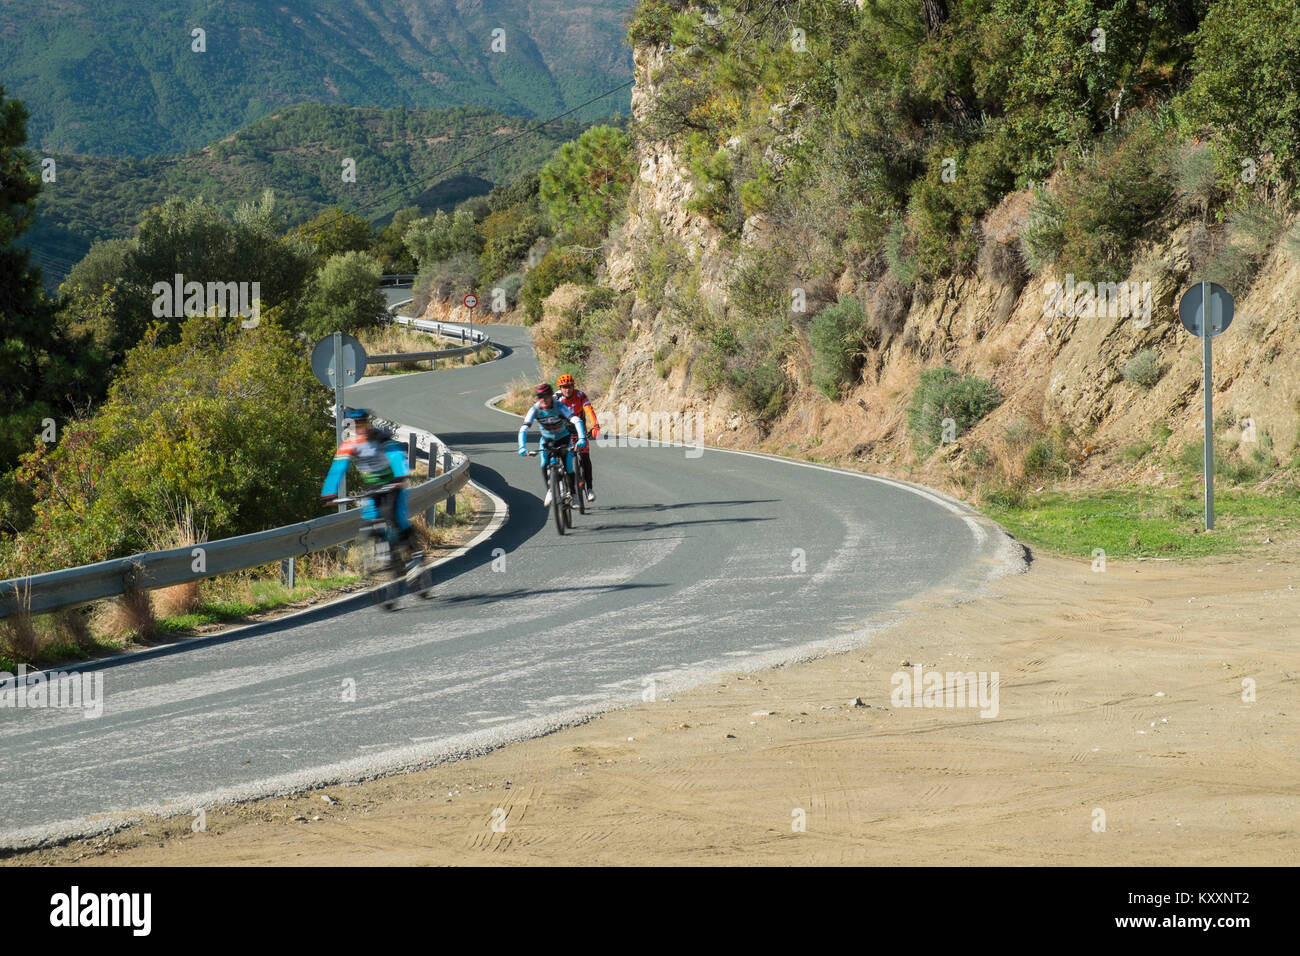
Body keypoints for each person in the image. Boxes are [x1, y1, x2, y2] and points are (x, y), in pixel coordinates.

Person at [321, 408, 414, 550]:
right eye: (355, 426)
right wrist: (328, 493)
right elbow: (337, 469)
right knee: (371, 517)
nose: (360, 429)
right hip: (372, 484)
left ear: (368, 423)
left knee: (395, 517)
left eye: (362, 424)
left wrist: (401, 475)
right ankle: (387, 555)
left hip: (392, 481)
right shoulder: (349, 445)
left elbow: (396, 456)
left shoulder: (379, 438)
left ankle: (414, 554)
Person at [517, 382, 587, 505]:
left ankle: (573, 493)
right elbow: (524, 428)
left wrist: (581, 438)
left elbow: (576, 420)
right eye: (540, 396)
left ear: (551, 396)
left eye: (546, 396)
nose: (543, 399)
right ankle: (550, 490)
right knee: (544, 462)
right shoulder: (535, 409)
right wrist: (522, 447)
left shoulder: (559, 406)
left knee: (568, 466)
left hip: (564, 439)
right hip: (547, 441)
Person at [556, 372, 599, 502]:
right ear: (560, 388)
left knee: (585, 457)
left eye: (570, 386)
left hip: (580, 431)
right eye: (564, 387)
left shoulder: (580, 396)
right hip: (563, 432)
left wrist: (595, 425)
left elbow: (589, 411)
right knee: (558, 456)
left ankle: (589, 489)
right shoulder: (556, 399)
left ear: (573, 386)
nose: (567, 389)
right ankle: (559, 482)